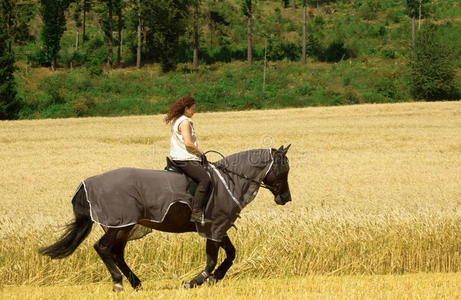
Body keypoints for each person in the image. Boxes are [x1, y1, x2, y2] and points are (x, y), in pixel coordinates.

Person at [165, 95, 210, 223]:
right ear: (186, 108)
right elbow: (189, 144)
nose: (195, 111)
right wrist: (201, 152)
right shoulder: (185, 121)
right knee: (205, 179)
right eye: (193, 109)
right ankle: (196, 213)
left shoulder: (177, 120)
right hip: (185, 159)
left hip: (178, 158)